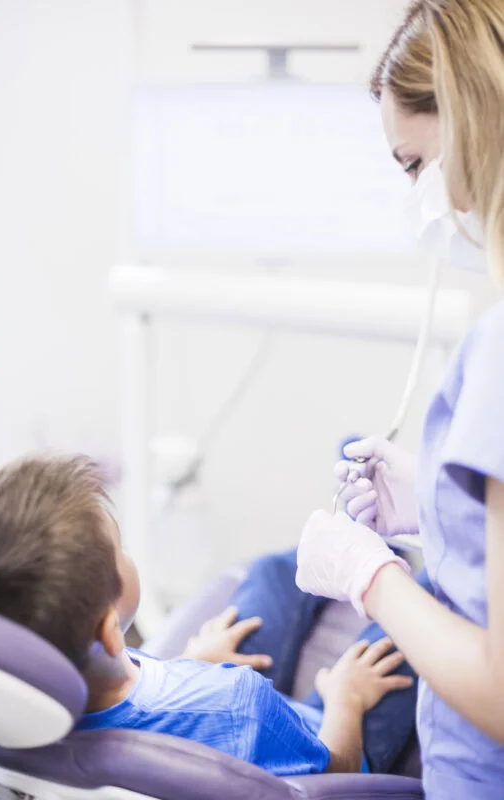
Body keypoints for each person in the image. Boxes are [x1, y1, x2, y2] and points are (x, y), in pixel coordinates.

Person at [295, 2, 504, 799]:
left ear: (473, 119)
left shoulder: (495, 353)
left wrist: (367, 575)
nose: (419, 193)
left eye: (413, 164)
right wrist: (441, 503)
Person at [0, 455, 416, 778]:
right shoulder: (241, 705)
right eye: (120, 550)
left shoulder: (15, 713)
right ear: (110, 632)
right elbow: (332, 770)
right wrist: (346, 699)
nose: (127, 554)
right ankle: (389, 537)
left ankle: (366, 517)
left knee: (269, 573)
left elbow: (138, 704)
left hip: (220, 720)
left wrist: (191, 664)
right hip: (327, 740)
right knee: (422, 607)